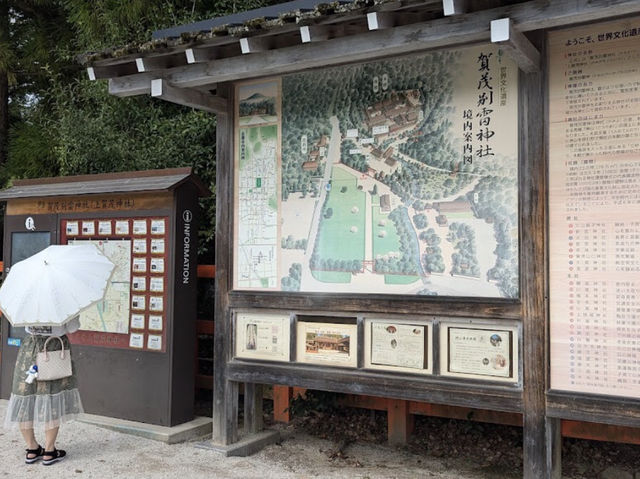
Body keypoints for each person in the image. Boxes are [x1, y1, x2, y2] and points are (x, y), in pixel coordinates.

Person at [3, 315, 83, 465]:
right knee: (52, 396)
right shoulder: (61, 300)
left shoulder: (29, 297)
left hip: (30, 348)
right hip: (54, 349)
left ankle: (32, 448)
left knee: (24, 395)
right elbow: (73, 327)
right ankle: (49, 451)